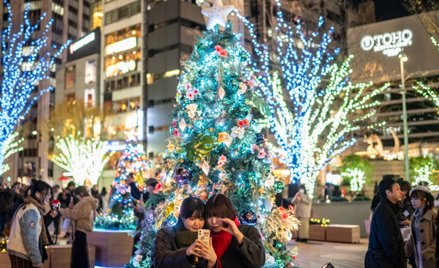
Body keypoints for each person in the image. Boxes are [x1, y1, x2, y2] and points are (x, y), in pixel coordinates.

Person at [205, 194, 265, 268]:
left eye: (218, 216)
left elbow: (259, 260)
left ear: (227, 214)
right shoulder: (206, 236)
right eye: (209, 216)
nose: (213, 221)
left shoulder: (248, 231)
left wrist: (238, 235)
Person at [152, 196, 210, 267]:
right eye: (192, 219)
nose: (197, 223)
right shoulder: (166, 234)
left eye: (201, 219)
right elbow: (159, 261)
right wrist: (186, 253)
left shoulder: (206, 236)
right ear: (182, 217)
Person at [7, 180, 52, 268]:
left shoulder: (31, 206)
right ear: (38, 194)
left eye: (50, 194)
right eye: (47, 194)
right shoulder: (31, 210)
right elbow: (30, 239)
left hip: (19, 251)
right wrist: (37, 261)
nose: (49, 197)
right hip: (21, 253)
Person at [365, 176, 406, 268]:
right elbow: (388, 241)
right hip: (383, 262)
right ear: (388, 192)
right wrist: (398, 261)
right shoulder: (384, 211)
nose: (401, 192)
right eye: (397, 189)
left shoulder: (388, 208)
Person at [60, 186, 98, 268]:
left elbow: (74, 214)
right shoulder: (88, 202)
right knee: (81, 256)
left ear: (80, 193)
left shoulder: (85, 202)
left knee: (79, 257)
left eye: (76, 195)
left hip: (80, 231)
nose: (75, 198)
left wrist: (62, 211)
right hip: (82, 231)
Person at [405, 186, 436, 268]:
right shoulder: (414, 217)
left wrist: (428, 252)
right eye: (411, 199)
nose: (412, 201)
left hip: (431, 254)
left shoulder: (433, 215)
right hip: (418, 251)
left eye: (416, 199)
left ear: (424, 199)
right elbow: (413, 236)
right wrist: (405, 252)